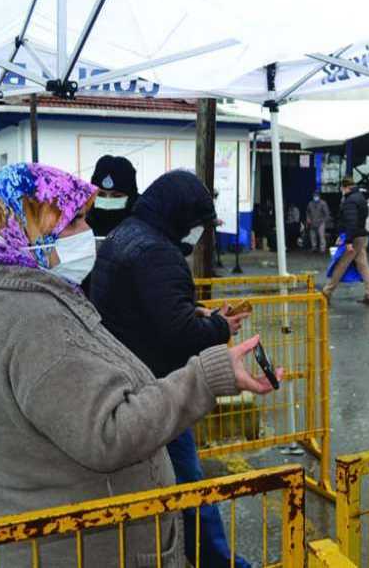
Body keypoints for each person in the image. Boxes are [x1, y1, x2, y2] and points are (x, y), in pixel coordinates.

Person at [0, 163, 279, 568]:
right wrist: (210, 375)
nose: (86, 233)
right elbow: (110, 433)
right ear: (30, 229)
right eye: (73, 220)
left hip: (16, 544)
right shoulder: (37, 322)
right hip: (82, 548)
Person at [90, 170, 257, 568]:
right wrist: (218, 325)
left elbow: (150, 310)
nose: (201, 234)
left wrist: (192, 312)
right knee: (189, 486)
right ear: (181, 216)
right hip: (157, 387)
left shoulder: (127, 234)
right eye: (200, 225)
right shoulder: (159, 253)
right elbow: (179, 333)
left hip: (124, 376)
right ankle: (218, 561)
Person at [322, 177, 369, 305]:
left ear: (346, 187)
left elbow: (351, 222)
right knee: (363, 266)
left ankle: (326, 292)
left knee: (341, 264)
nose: (341, 190)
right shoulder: (360, 197)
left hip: (354, 237)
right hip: (362, 236)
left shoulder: (350, 201)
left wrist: (348, 241)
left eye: (342, 188)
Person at [88, 154, 138, 238]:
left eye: (117, 196)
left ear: (131, 196)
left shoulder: (143, 222)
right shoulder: (81, 219)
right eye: (101, 194)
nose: (107, 201)